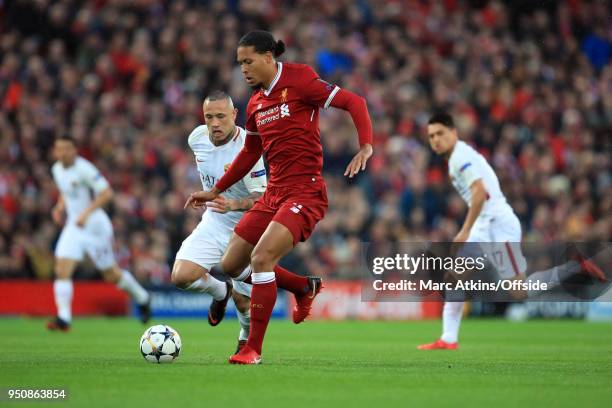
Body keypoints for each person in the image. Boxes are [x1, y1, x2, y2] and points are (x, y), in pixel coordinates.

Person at [185, 30, 374, 364]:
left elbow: (354, 102)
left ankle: (252, 349)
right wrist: (215, 189)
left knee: (261, 259)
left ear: (268, 57)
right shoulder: (256, 103)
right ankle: (303, 286)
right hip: (274, 193)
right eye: (239, 62)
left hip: (305, 191)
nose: (242, 69)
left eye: (248, 61)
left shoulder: (300, 79)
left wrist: (366, 144)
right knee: (229, 265)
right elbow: (249, 153)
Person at [419, 112, 605, 350]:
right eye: (431, 136)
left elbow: (479, 193)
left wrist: (464, 230)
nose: (435, 140)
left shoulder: (460, 156)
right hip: (484, 225)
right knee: (454, 277)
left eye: (440, 133)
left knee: (518, 292)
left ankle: (575, 268)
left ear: (453, 133)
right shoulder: (456, 157)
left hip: (499, 225)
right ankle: (448, 338)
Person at [172, 91, 267, 353]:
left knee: (244, 302)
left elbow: (263, 196)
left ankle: (245, 341)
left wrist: (234, 204)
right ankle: (219, 292)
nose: (214, 123)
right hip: (214, 221)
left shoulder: (248, 146)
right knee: (180, 277)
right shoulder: (197, 138)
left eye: (221, 116)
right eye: (209, 117)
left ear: (234, 115)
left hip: (246, 228)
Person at [48, 136, 151, 331]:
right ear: (55, 151)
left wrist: (85, 214)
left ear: (74, 151)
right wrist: (59, 207)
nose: (63, 153)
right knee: (61, 269)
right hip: (74, 226)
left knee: (111, 275)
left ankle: (143, 297)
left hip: (95, 227)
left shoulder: (84, 168)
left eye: (67, 149)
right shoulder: (56, 170)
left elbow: (106, 193)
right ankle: (63, 319)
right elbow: (66, 191)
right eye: (59, 149)